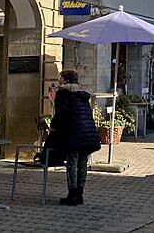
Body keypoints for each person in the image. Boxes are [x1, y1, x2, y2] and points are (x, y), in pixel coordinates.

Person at [49, 69, 101, 206]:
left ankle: (72, 195)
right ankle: (80, 194)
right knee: (82, 164)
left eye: (60, 77)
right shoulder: (82, 95)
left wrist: (53, 127)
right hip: (88, 133)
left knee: (72, 163)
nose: (58, 80)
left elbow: (61, 113)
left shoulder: (63, 93)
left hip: (74, 133)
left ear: (65, 80)